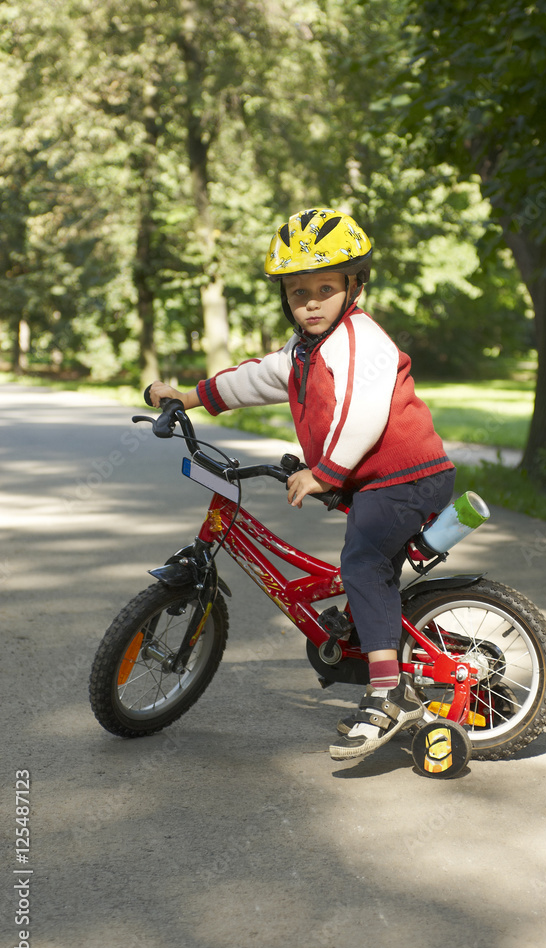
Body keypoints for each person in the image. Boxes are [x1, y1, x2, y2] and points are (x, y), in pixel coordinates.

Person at [149, 207, 456, 761]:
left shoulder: (361, 341)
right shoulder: (304, 348)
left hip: (407, 478)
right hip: (374, 481)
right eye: (296, 292)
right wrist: (190, 396)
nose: (310, 302)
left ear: (354, 286)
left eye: (324, 288)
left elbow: (362, 416)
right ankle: (369, 631)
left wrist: (324, 474)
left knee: (363, 562)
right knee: (367, 563)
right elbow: (259, 376)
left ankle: (389, 695)